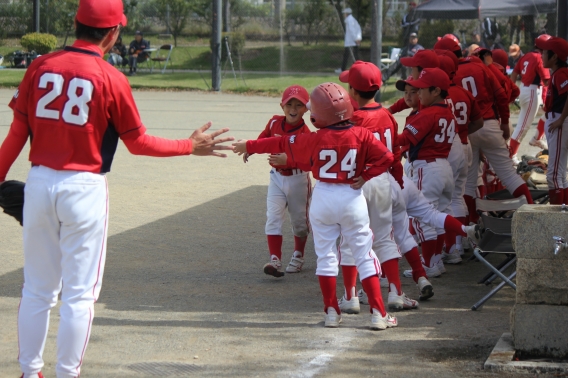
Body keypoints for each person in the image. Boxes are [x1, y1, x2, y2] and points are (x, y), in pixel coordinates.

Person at [0, 0, 234, 376]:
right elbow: (138, 143)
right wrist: (190, 146)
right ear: (113, 33)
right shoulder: (111, 78)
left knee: (37, 290)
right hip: (84, 188)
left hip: (40, 183)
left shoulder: (40, 66)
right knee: (79, 295)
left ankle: (30, 372)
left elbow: (16, 134)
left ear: (76, 24)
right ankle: (66, 373)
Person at [233, 83, 398, 330]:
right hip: (351, 196)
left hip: (323, 197)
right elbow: (387, 157)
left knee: (326, 256)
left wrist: (249, 145)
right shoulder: (361, 134)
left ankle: (331, 312)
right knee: (364, 255)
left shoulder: (312, 137)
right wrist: (365, 175)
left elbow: (276, 144)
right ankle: (378, 314)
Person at [336, 61, 418, 313]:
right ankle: (395, 292)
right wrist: (398, 179)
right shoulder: (386, 116)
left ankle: (350, 296)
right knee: (383, 238)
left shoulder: (352, 118)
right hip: (382, 180)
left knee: (351, 240)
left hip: (358, 182)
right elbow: (394, 154)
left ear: (352, 90)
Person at [243, 85, 312, 277]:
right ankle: (275, 259)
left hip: (298, 178)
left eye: (298, 105)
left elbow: (308, 162)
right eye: (289, 104)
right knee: (273, 217)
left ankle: (298, 254)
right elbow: (264, 139)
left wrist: (288, 160)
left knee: (300, 222)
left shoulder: (305, 133)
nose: (293, 109)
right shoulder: (274, 122)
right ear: (282, 106)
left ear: (306, 109)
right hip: (276, 177)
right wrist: (252, 148)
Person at [396, 68, 456, 275]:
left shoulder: (427, 113)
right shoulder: (447, 112)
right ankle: (436, 260)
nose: (419, 93)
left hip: (427, 168)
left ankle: (429, 264)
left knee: (423, 217)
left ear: (436, 91)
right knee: (438, 215)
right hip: (444, 167)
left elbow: (403, 139)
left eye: (422, 89)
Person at [535, 36, 568, 204]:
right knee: (560, 173)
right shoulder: (558, 73)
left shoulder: (561, 73)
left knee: (554, 174)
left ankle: (556, 218)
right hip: (557, 120)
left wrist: (561, 119)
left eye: (545, 52)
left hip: (559, 121)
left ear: (554, 57)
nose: (542, 55)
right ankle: (563, 215)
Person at [509, 37, 551, 164]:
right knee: (523, 127)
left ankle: (537, 138)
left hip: (525, 89)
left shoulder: (526, 55)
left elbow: (514, 73)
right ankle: (511, 156)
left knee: (548, 114)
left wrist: (512, 90)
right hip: (532, 91)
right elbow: (546, 80)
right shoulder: (539, 57)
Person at [336, 8, 361, 73]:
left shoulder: (350, 20)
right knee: (352, 56)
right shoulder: (352, 20)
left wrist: (355, 39)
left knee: (351, 56)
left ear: (346, 14)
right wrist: (358, 38)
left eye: (344, 13)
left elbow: (352, 30)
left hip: (351, 42)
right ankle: (357, 69)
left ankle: (356, 69)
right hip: (352, 42)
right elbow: (358, 29)